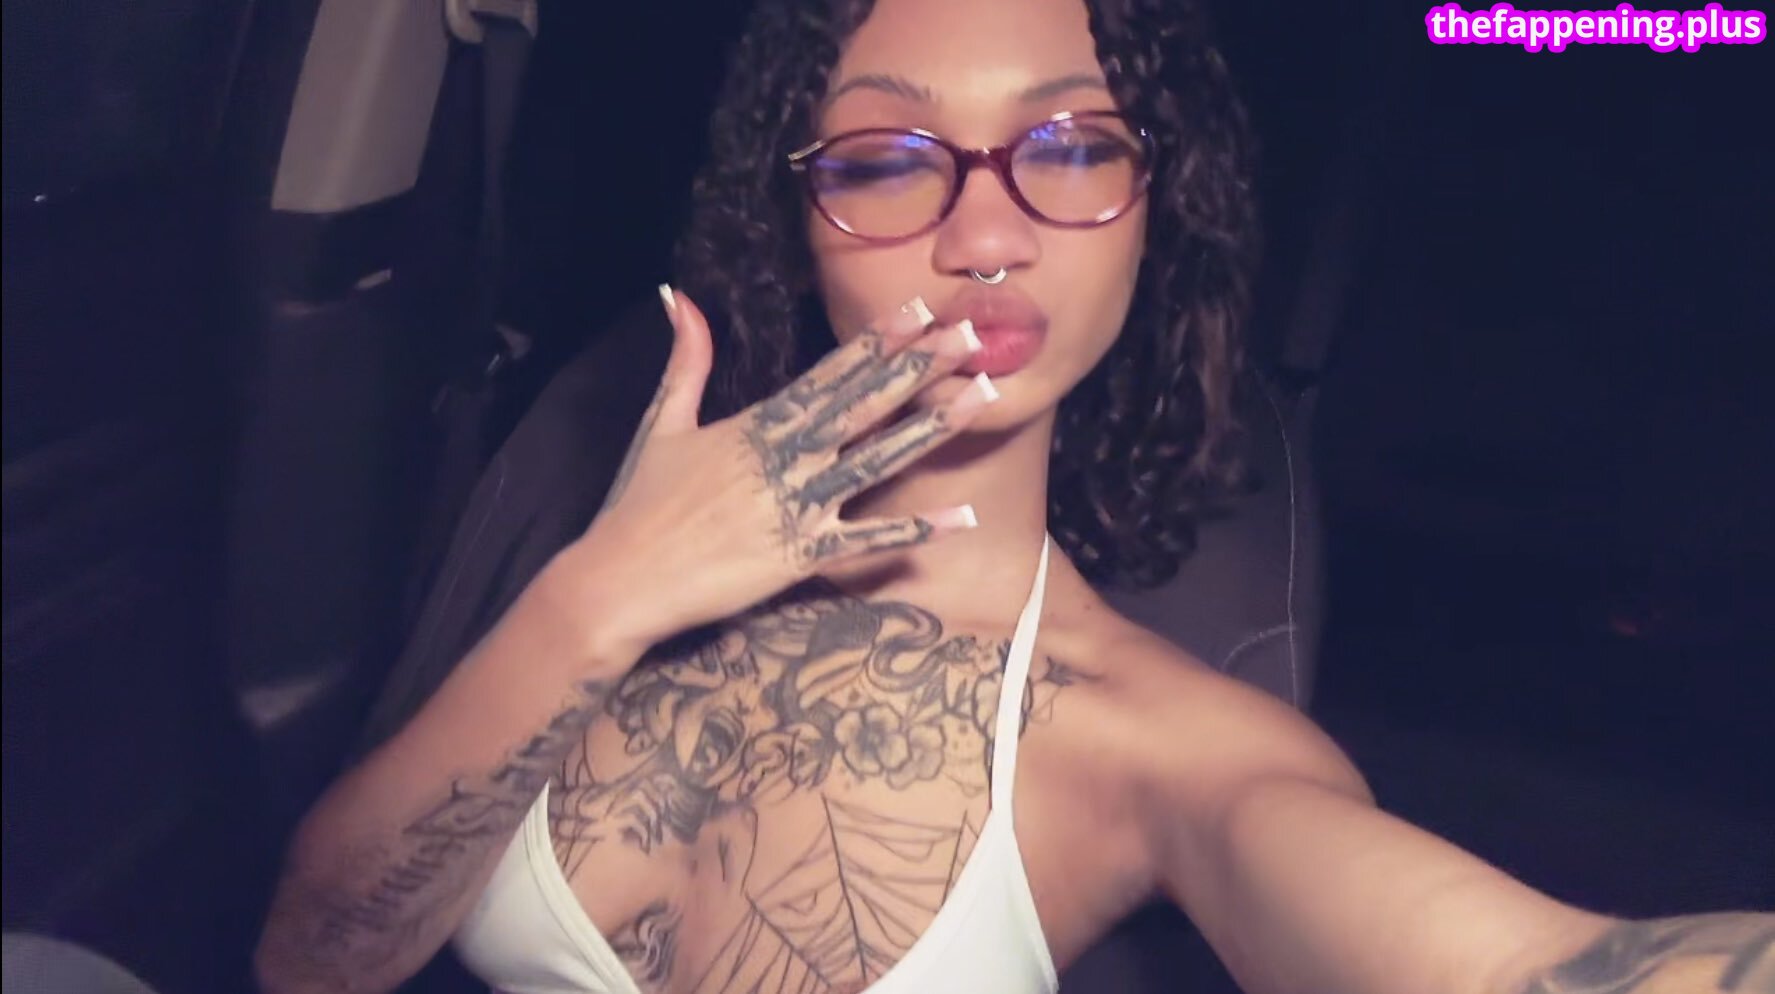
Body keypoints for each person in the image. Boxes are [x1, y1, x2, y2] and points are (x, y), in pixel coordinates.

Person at [253, 0, 1774, 992]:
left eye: (1070, 146)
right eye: (888, 157)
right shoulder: (601, 532)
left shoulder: (1173, 748)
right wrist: (601, 597)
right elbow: (309, 960)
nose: (986, 237)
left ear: (1152, 215)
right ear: (794, 214)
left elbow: (1540, 968)